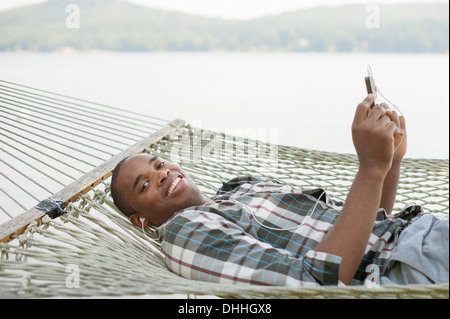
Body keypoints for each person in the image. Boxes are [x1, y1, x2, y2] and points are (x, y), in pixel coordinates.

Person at [110, 94, 449, 287]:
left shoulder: (241, 187)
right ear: (141, 221)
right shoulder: (185, 234)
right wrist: (371, 168)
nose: (162, 174)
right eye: (144, 184)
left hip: (419, 237)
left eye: (158, 164)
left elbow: (365, 227)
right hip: (407, 271)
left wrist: (389, 164)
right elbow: (318, 283)